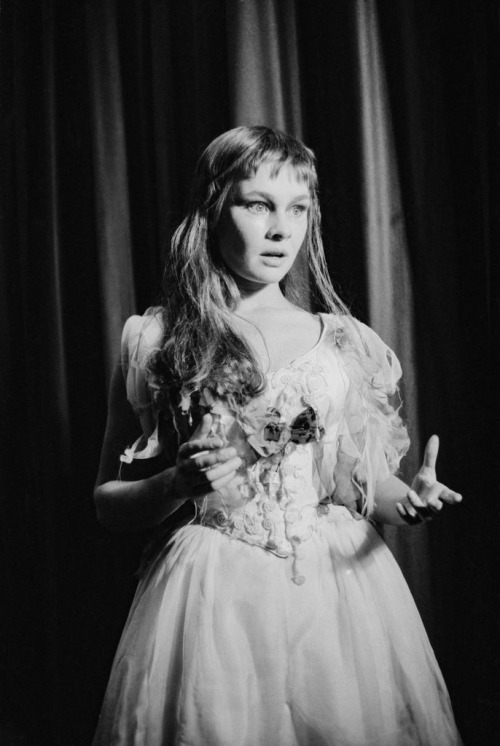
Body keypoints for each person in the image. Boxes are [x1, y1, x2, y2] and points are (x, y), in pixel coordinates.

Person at [92, 126, 463, 745]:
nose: (280, 228)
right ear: (214, 207)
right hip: (212, 598)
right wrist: (177, 482)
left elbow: (354, 486)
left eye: (297, 209)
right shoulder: (156, 340)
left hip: (336, 597)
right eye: (257, 204)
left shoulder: (343, 340)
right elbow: (107, 502)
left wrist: (410, 502)